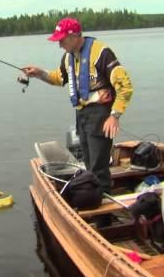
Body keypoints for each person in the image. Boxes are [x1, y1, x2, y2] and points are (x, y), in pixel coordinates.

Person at [22, 17, 133, 196]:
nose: (59, 45)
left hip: (100, 115)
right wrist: (40, 73)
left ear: (73, 36)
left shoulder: (101, 53)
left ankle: (104, 212)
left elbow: (125, 86)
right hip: (81, 114)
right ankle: (94, 198)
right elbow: (59, 78)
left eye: (62, 40)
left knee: (98, 167)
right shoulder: (68, 57)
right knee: (89, 164)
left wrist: (114, 116)